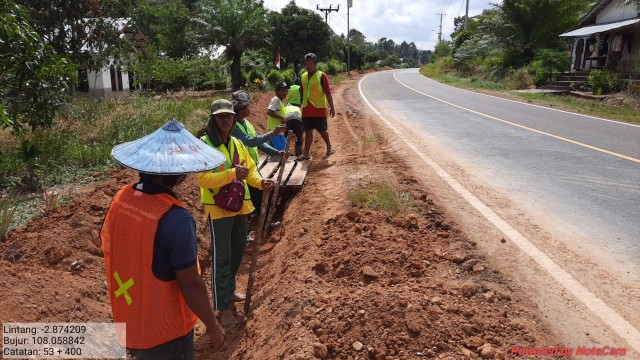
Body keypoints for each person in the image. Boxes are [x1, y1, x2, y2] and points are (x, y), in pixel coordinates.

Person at [101, 119, 226, 359]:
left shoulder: (121, 199)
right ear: (179, 176)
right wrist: (212, 325)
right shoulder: (176, 219)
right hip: (165, 332)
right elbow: (190, 283)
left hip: (130, 318)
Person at [197, 99, 275, 327]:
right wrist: (232, 174)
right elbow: (203, 179)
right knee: (221, 259)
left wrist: (261, 183)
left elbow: (250, 170)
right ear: (213, 119)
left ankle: (229, 291)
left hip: (241, 207)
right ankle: (222, 308)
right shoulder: (205, 145)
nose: (226, 120)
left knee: (237, 254)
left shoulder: (237, 143)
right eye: (221, 116)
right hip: (218, 210)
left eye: (229, 116)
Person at [231, 90, 284, 222]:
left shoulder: (246, 123)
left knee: (258, 196)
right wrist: (273, 132)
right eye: (248, 106)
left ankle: (263, 222)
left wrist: (276, 152)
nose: (250, 109)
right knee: (246, 199)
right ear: (241, 109)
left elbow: (258, 143)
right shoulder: (234, 127)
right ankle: (252, 226)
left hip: (252, 167)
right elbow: (251, 141)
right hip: (241, 170)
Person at [299, 52, 335, 160]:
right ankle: (305, 154)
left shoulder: (321, 76)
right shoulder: (303, 76)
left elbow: (328, 92)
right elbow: (301, 91)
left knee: (322, 131)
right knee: (308, 132)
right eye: (306, 64)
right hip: (306, 109)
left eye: (310, 64)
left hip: (319, 109)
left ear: (315, 64)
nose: (308, 66)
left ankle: (329, 146)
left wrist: (332, 107)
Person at [267, 81, 304, 156]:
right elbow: (269, 112)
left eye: (286, 91)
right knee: (281, 153)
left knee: (276, 153)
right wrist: (282, 118)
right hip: (275, 131)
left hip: (278, 131)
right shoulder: (276, 99)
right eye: (283, 91)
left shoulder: (280, 102)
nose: (285, 93)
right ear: (276, 92)